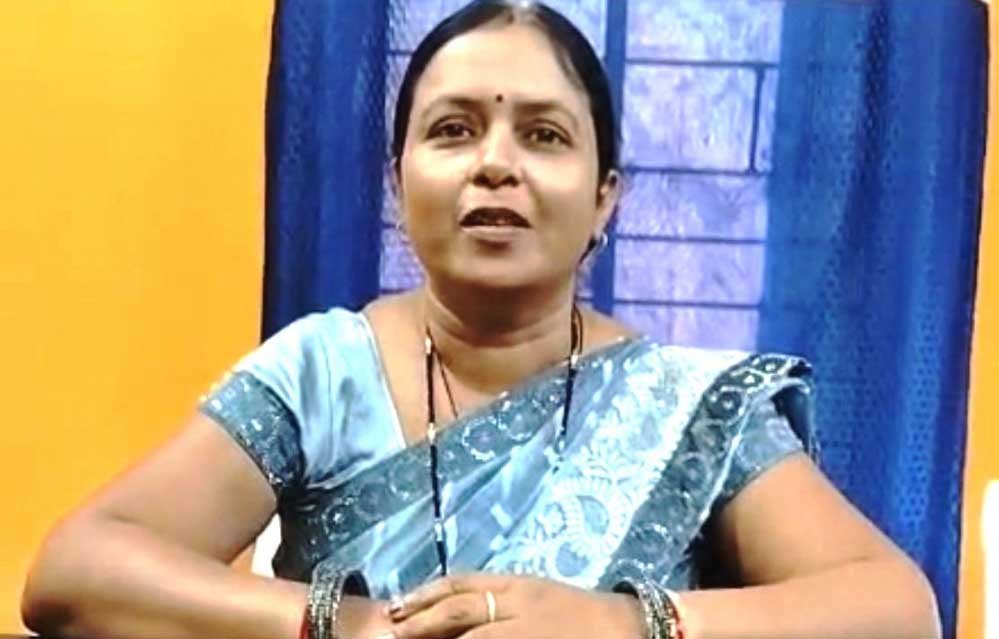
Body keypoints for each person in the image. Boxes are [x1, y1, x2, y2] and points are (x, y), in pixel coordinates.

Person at [21, 1, 941, 638]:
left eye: (543, 134)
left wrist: (624, 623)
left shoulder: (689, 406)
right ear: (398, 182)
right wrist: (345, 624)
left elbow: (895, 609)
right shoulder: (320, 371)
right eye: (453, 129)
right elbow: (76, 570)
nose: (495, 163)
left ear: (604, 198)